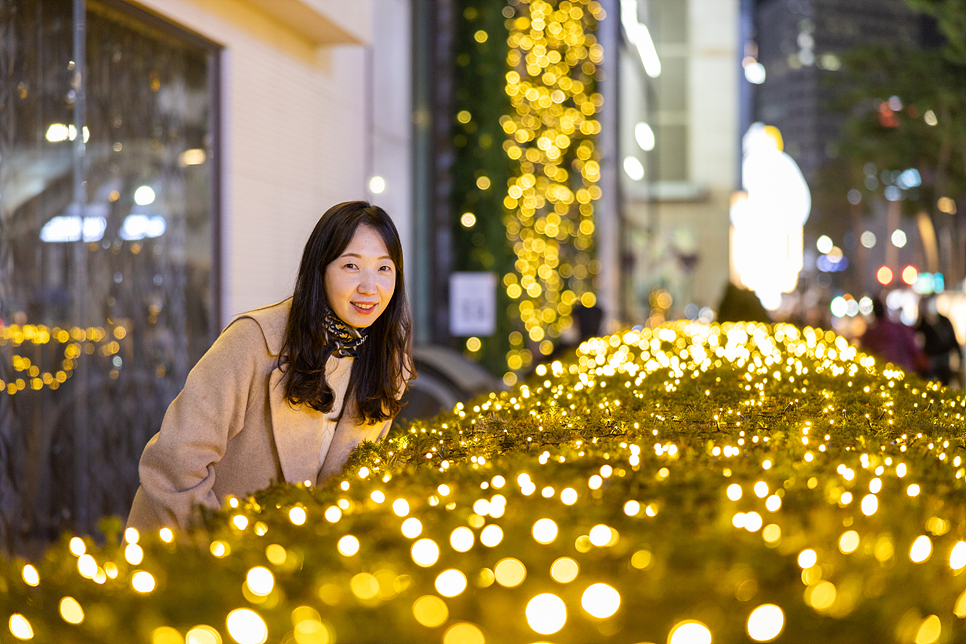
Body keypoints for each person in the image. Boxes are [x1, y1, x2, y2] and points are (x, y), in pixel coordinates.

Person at [128, 201, 413, 532]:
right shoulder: (254, 340)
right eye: (351, 266)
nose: (369, 287)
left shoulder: (388, 361)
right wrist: (226, 549)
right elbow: (175, 462)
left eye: (384, 268)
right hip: (193, 553)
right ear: (320, 269)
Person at [859, 297, 923, 373]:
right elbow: (913, 348)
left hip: (880, 371)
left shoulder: (869, 333)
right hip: (903, 369)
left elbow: (864, 351)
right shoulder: (899, 328)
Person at [917, 296, 962, 386]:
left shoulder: (944, 320)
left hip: (945, 358)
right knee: (931, 385)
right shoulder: (922, 323)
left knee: (945, 384)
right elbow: (919, 342)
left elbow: (952, 338)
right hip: (930, 361)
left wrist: (960, 356)